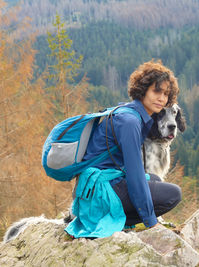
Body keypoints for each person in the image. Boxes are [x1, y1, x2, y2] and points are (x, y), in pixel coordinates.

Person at [65, 60, 182, 238]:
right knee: (174, 193)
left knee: (156, 179)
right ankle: (115, 219)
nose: (162, 98)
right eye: (156, 91)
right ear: (142, 90)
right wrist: (152, 222)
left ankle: (121, 218)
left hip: (96, 187)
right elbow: (135, 177)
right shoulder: (130, 122)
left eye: (166, 94)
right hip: (100, 192)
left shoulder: (129, 113)